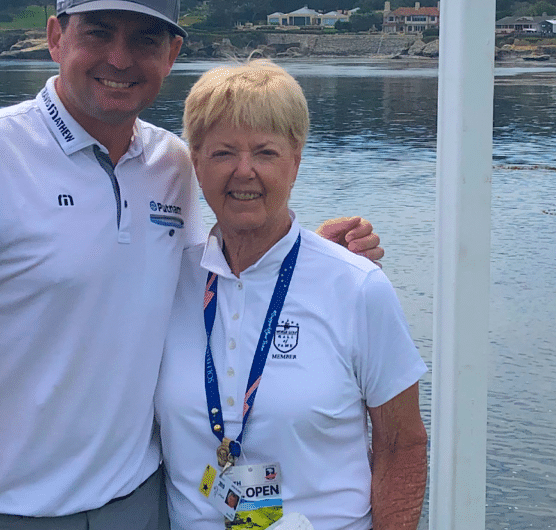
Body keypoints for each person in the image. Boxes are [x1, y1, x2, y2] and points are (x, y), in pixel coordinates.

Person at [0, 0, 380, 528]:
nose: (119, 59)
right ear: (55, 36)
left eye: (145, 39)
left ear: (171, 56)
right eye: (97, 32)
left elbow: (215, 277)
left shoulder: (172, 163)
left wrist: (307, 257)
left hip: (143, 503)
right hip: (6, 511)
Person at [155, 59, 428, 530]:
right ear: (195, 162)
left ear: (296, 160)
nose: (245, 172)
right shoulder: (165, 281)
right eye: (222, 153)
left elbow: (402, 444)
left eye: (265, 152)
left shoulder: (357, 287)